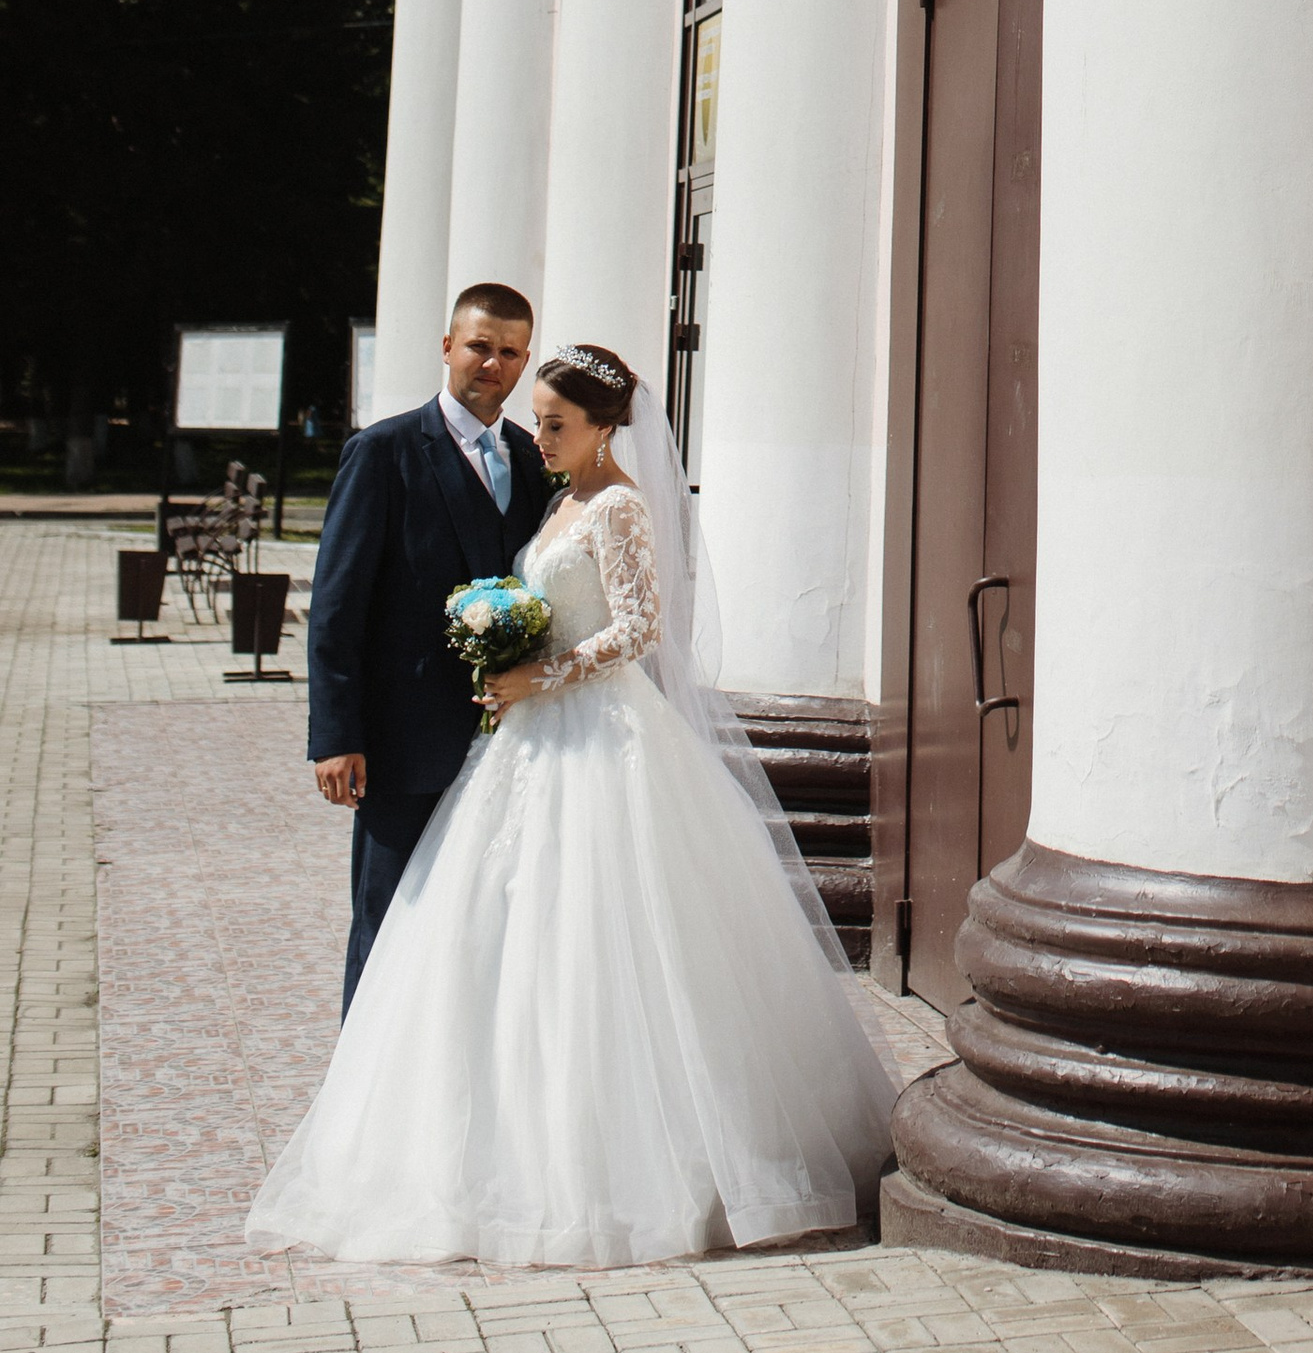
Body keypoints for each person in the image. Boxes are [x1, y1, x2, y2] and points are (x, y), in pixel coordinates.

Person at [247, 344, 894, 1267]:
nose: (539, 435)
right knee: (496, 929)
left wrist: (538, 675)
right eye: (540, 421)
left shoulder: (622, 506)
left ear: (602, 427)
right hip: (531, 742)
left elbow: (639, 628)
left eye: (556, 423)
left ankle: (642, 1164)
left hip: (605, 741)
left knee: (609, 936)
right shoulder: (560, 504)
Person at [305, 282, 553, 1008]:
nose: (492, 364)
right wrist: (335, 736)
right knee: (388, 921)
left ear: (524, 361)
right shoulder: (381, 453)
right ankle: (360, 1107)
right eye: (479, 346)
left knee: (479, 928)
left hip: (511, 745)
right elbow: (337, 608)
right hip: (405, 741)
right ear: (448, 347)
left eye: (509, 353)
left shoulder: (535, 460)